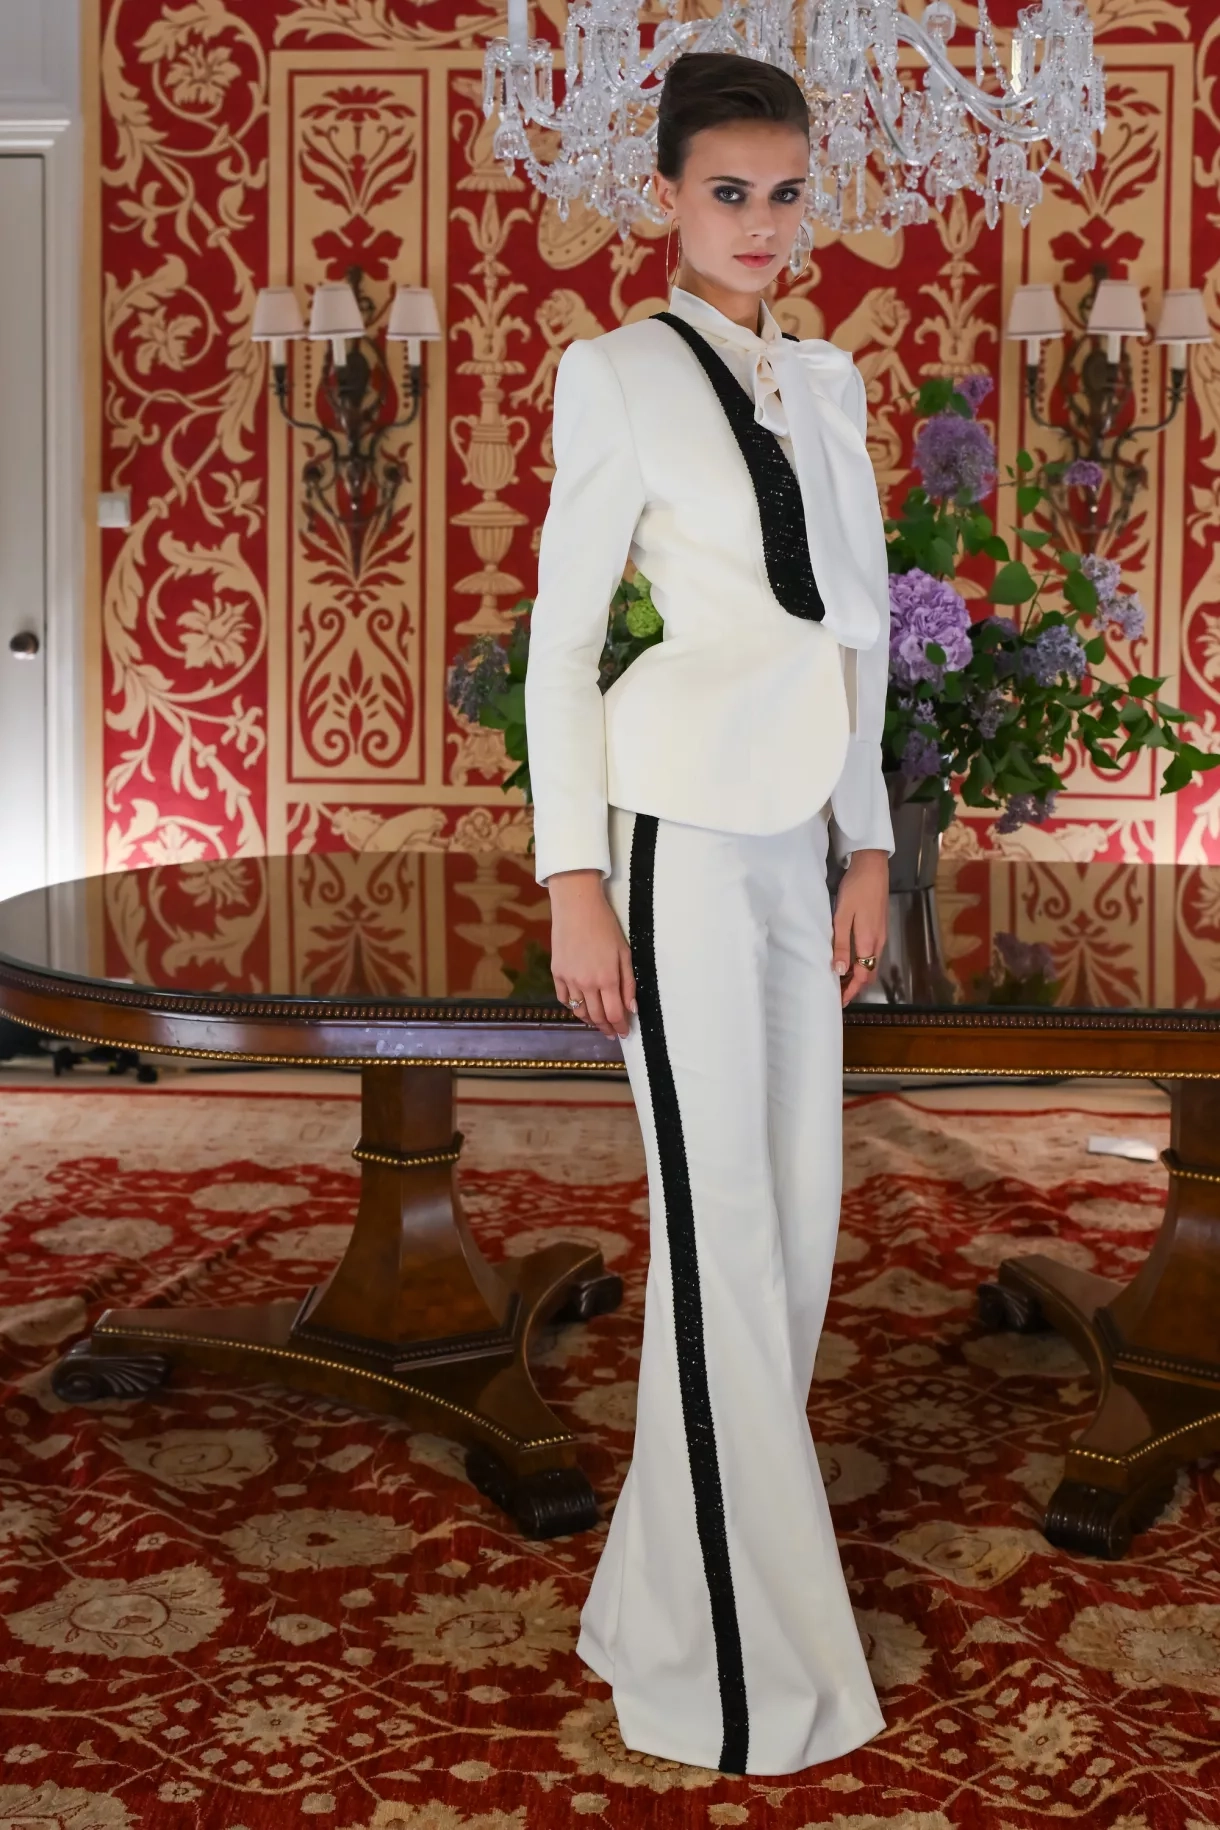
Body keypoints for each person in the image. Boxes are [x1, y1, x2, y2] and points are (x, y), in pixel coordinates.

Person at [524, 50, 893, 1777]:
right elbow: (558, 646)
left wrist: (868, 846)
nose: (760, 223)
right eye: (728, 192)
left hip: (798, 846)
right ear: (666, 197)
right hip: (669, 839)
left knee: (797, 1230)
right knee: (719, 1232)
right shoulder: (613, 375)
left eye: (785, 193)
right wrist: (574, 881)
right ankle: (731, 1673)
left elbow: (860, 634)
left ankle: (654, 1596)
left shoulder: (831, 381)